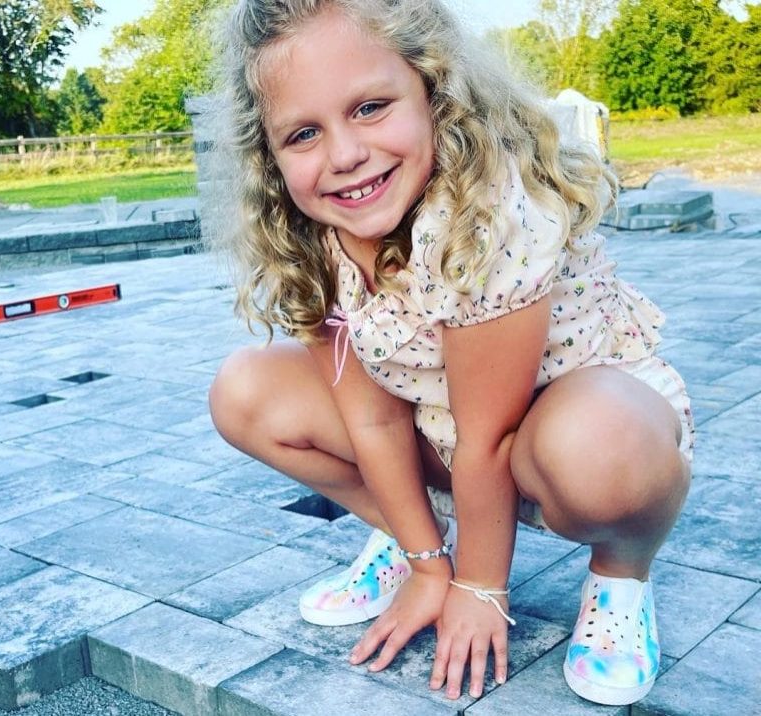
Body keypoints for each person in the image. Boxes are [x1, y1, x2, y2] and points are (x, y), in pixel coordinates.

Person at [207, 0, 694, 707]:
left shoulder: (488, 213)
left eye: (371, 106)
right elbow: (372, 419)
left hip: (570, 426)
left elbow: (490, 435)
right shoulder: (314, 230)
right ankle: (411, 541)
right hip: (449, 432)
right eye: (304, 133)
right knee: (243, 390)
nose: (343, 155)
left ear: (435, 90)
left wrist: (481, 588)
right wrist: (431, 565)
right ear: (270, 156)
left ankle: (621, 573)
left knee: (597, 449)